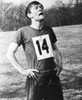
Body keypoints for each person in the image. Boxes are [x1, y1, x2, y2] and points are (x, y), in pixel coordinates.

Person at [7, 1, 64, 100]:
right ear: (29, 15)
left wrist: (59, 63)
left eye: (41, 7)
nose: (40, 9)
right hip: (36, 78)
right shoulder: (22, 31)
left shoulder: (49, 30)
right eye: (36, 8)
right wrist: (23, 70)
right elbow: (10, 53)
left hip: (52, 76)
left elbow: (54, 48)